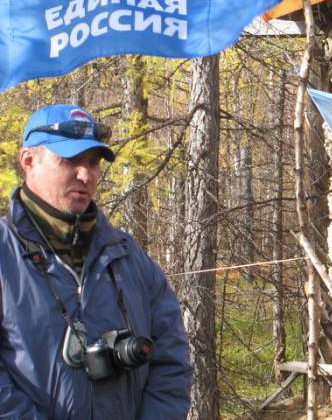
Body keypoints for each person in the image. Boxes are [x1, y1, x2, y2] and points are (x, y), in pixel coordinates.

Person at [0, 105, 192, 419]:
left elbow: (171, 360)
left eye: (93, 162)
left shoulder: (127, 256)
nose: (86, 175)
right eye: (70, 160)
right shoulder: (5, 254)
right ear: (28, 161)